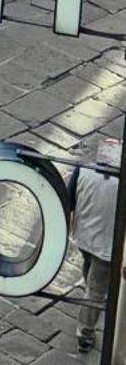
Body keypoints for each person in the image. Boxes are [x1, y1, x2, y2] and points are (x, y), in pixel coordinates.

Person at [69, 138, 121, 352]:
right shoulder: (121, 184)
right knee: (97, 292)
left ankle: (87, 299)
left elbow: (68, 200)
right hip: (107, 246)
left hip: (83, 236)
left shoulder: (83, 170)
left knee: (90, 271)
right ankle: (85, 333)